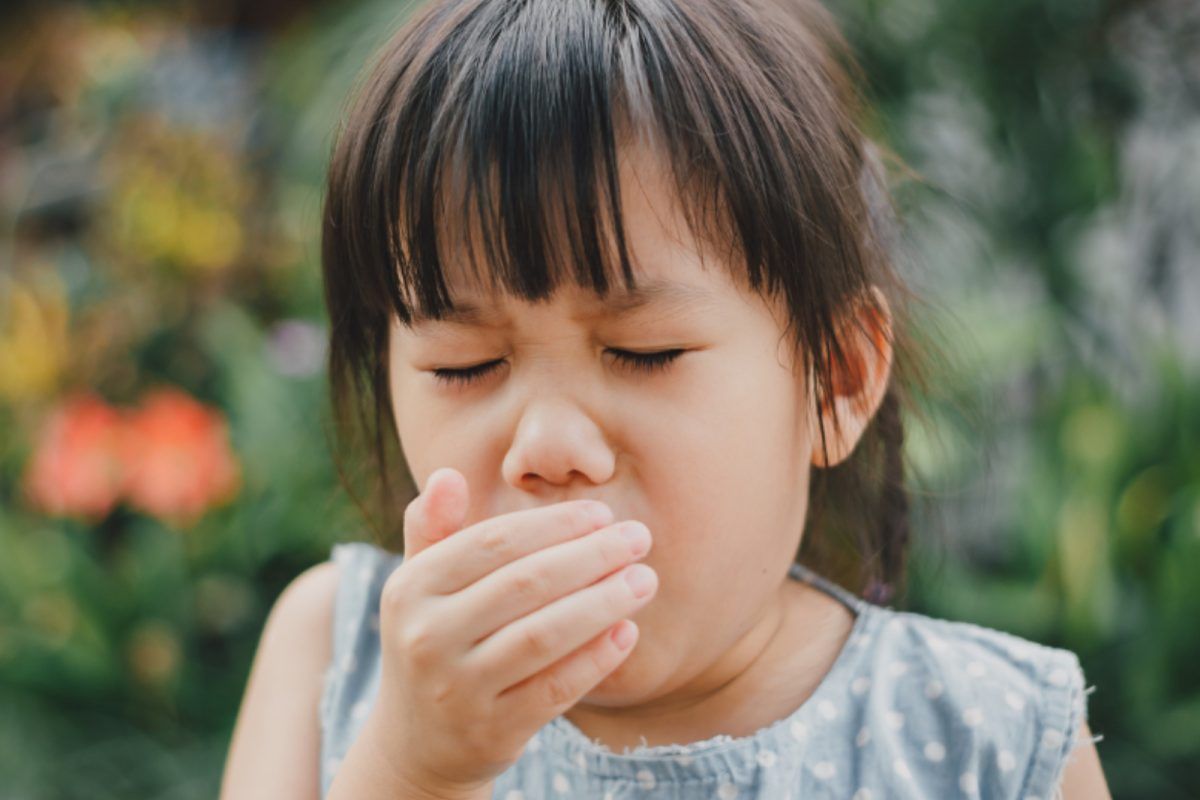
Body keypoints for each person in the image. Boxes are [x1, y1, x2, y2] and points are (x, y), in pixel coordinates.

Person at [220, 0, 1112, 797]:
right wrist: (414, 772)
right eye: (463, 364)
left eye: (643, 352)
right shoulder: (333, 651)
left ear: (835, 380)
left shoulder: (986, 740)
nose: (548, 442)